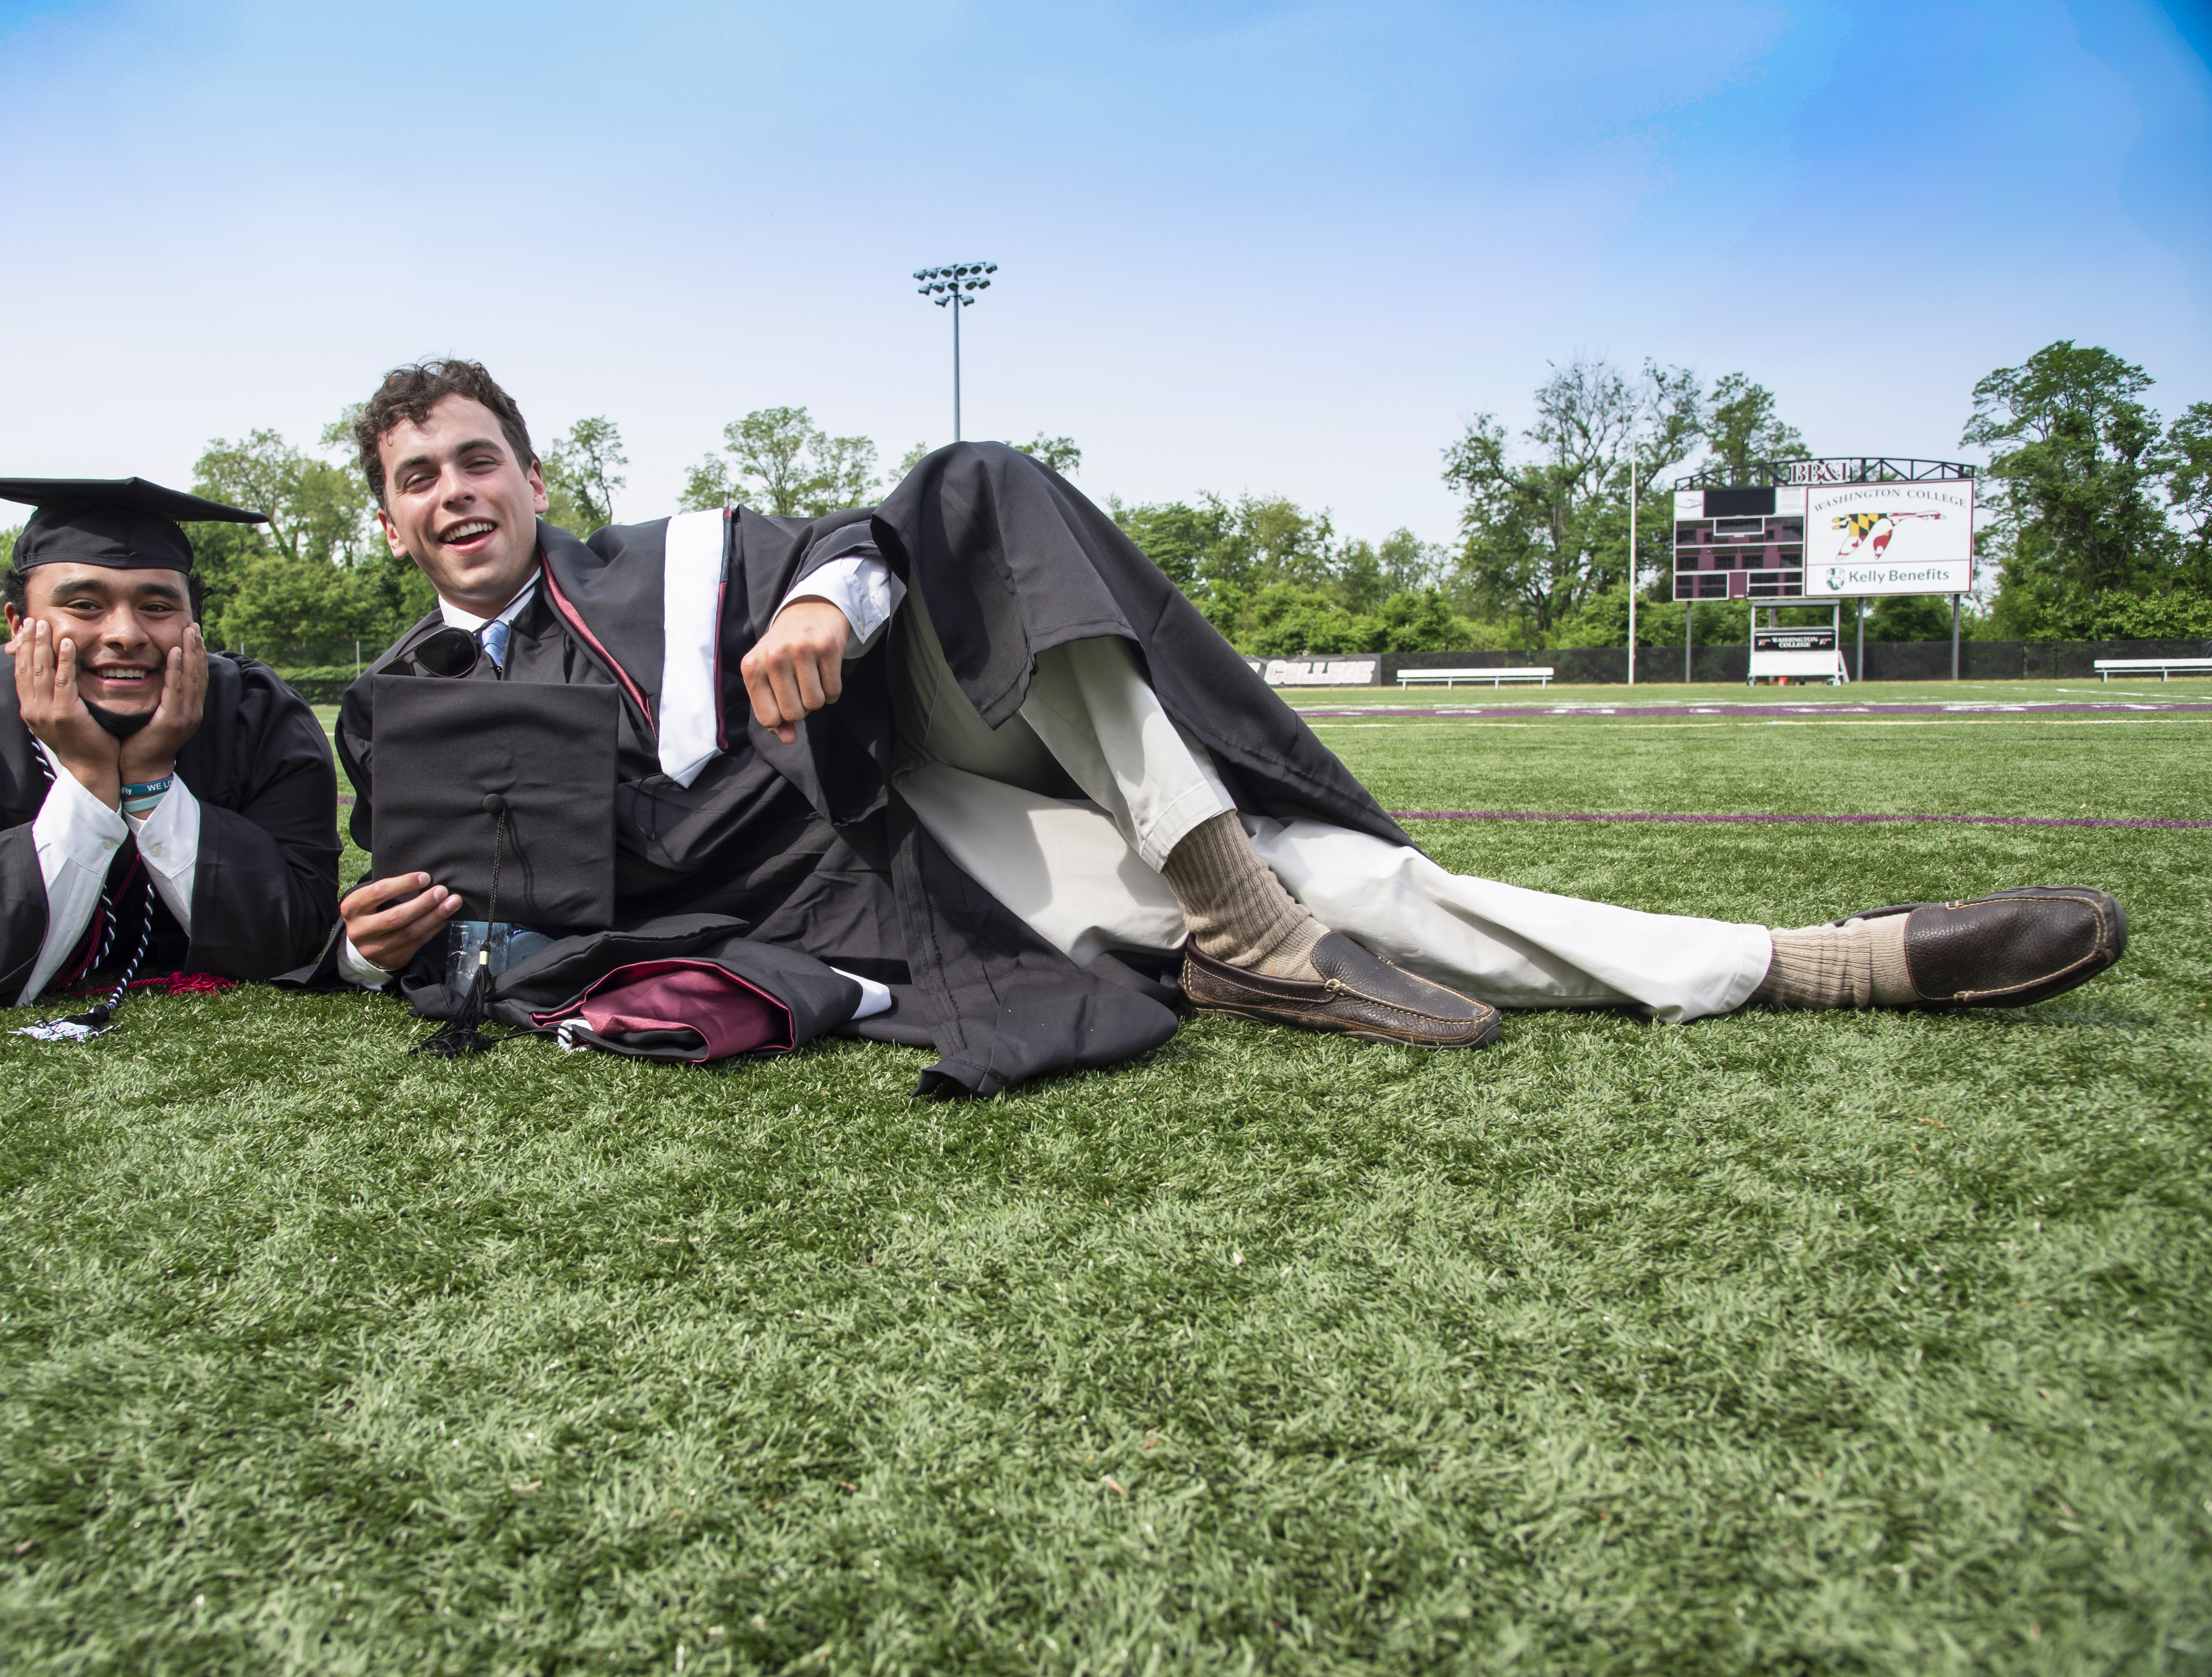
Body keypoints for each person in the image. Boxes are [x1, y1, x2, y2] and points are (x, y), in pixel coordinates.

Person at [315, 359, 2125, 1096]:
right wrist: (405, 944)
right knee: (1355, 882)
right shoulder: (401, 708)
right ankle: (1812, 960)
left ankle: (1233, 913)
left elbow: (874, 551)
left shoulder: (682, 552)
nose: (456, 489)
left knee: (964, 482)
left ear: (534, 471)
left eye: (479, 455)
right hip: (879, 888)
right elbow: (502, 929)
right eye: (419, 477)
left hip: (932, 736)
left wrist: (814, 604)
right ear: (389, 521)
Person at [0, 478, 342, 1007]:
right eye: (84, 605)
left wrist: (151, 776)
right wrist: (88, 773)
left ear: (194, 625)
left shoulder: (259, 714)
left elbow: (293, 936)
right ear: (18, 624)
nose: (126, 634)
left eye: (157, 606)